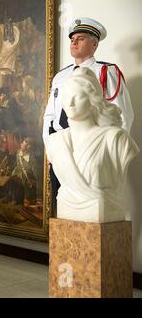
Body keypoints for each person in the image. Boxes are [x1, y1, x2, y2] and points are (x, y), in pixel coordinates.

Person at [42, 17, 134, 212]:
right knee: (63, 212)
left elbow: (123, 114)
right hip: (63, 149)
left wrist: (111, 154)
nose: (74, 42)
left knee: (94, 211)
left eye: (80, 38)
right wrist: (51, 149)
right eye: (72, 39)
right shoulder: (61, 76)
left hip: (92, 150)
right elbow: (49, 117)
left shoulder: (105, 72)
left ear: (94, 43)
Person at [45, 67, 139, 222]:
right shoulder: (56, 142)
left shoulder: (115, 139)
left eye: (78, 97)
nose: (70, 102)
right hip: (67, 216)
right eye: (67, 96)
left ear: (92, 100)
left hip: (103, 216)